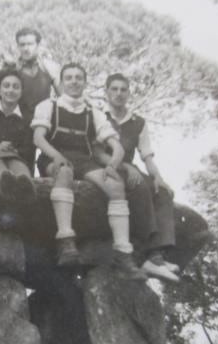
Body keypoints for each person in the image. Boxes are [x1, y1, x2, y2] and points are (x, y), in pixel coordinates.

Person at [32, 63, 145, 279]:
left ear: (85, 82)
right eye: (69, 78)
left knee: (116, 186)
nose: (74, 82)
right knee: (64, 173)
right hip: (54, 157)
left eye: (78, 78)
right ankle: (66, 241)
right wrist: (56, 156)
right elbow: (38, 138)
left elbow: (117, 147)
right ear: (62, 82)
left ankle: (123, 253)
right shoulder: (48, 105)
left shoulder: (93, 112)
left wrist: (112, 165)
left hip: (84, 160)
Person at [96, 73, 179, 282]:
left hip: (130, 168)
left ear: (128, 93)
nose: (119, 94)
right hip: (105, 166)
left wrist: (158, 177)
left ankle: (158, 255)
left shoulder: (138, 122)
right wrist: (123, 166)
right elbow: (96, 152)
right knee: (140, 186)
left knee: (162, 192)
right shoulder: (98, 116)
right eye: (114, 89)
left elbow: (147, 156)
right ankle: (151, 254)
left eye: (123, 90)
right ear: (106, 92)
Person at [0, 69, 35, 202]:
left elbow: (30, 147)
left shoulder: (27, 117)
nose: (11, 90)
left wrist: (15, 150)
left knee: (18, 165)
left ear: (21, 91)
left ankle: (27, 186)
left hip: (15, 157)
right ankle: (5, 184)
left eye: (16, 87)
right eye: (6, 86)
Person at [12, 27, 61, 115]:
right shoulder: (13, 69)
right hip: (20, 119)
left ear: (38, 45)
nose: (26, 48)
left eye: (30, 44)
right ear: (18, 47)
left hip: (45, 118)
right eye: (22, 45)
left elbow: (64, 97)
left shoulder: (48, 66)